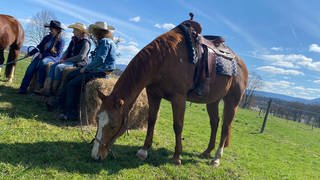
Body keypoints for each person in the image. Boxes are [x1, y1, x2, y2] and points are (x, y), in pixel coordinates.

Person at [59, 21, 117, 120]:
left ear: (98, 31)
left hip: (100, 72)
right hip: (96, 69)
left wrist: (86, 68)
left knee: (72, 84)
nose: (92, 33)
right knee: (69, 76)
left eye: (94, 31)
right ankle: (62, 105)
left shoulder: (104, 42)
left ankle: (71, 114)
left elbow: (100, 59)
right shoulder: (106, 41)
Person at [36, 22, 91, 96]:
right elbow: (67, 51)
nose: (73, 31)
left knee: (59, 67)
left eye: (74, 30)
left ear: (80, 31)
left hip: (78, 62)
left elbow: (81, 56)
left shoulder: (85, 42)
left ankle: (54, 91)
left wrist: (65, 60)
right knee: (53, 66)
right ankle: (46, 89)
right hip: (69, 61)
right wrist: (61, 59)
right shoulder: (74, 40)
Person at [19, 20, 65, 94]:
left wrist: (43, 54)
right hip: (42, 56)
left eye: (52, 28)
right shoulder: (46, 37)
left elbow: (57, 54)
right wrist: (29, 54)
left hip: (52, 58)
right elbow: (39, 47)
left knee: (43, 63)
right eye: (50, 28)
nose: (50, 30)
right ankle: (23, 89)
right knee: (30, 69)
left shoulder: (61, 41)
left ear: (57, 30)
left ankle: (40, 87)